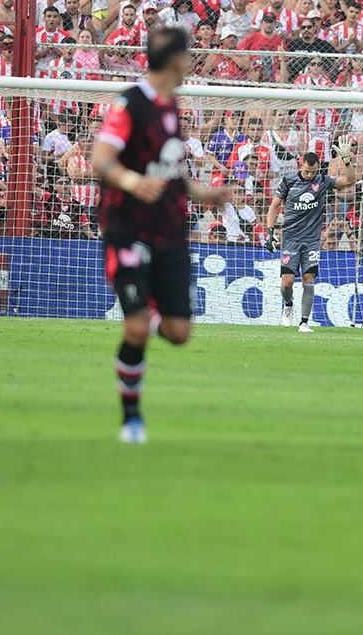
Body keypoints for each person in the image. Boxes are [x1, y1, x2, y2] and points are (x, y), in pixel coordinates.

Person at [90, 27, 232, 444]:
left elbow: (169, 170)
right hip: (128, 228)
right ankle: (131, 419)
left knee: (178, 333)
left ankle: (150, 315)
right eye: (188, 57)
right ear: (175, 61)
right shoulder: (130, 103)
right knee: (134, 330)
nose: (191, 64)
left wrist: (201, 193)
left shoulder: (172, 105)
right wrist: (132, 183)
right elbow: (101, 158)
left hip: (170, 231)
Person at [264, 146, 357, 332]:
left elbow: (349, 180)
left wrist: (347, 161)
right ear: (301, 165)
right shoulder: (288, 181)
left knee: (309, 278)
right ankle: (288, 304)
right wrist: (270, 232)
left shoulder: (322, 181)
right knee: (287, 282)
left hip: (312, 239)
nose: (309, 175)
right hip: (290, 238)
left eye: (312, 172)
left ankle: (304, 322)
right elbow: (274, 207)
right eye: (306, 171)